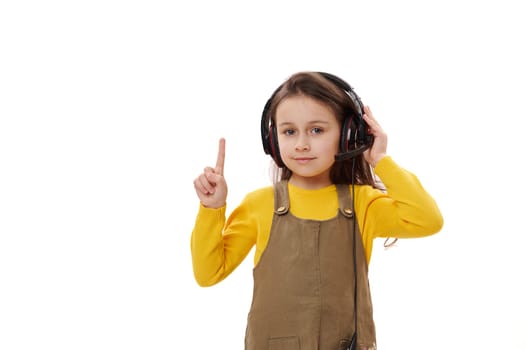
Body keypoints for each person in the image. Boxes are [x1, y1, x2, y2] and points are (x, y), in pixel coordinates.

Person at [191, 71, 443, 350]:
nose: (301, 143)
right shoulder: (259, 204)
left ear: (348, 136)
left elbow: (428, 220)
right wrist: (211, 209)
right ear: (273, 140)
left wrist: (380, 160)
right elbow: (208, 273)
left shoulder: (362, 204)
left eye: (317, 130)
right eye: (289, 131)